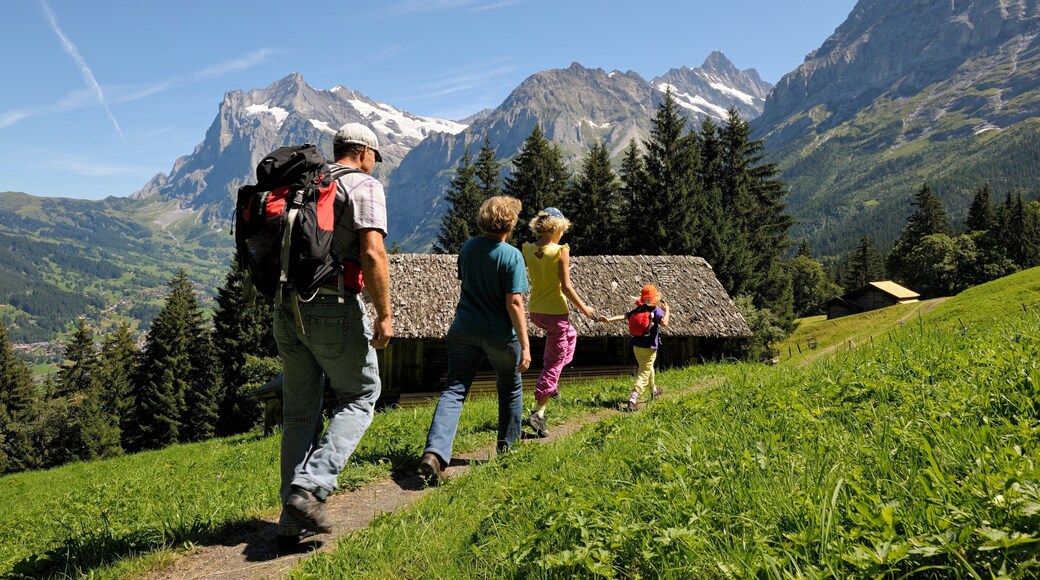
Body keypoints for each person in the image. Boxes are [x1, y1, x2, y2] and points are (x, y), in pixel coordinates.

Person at [274, 123, 392, 551]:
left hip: (285, 307)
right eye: (376, 156)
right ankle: (311, 488)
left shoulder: (304, 183)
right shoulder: (363, 186)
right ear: (363, 151)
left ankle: (290, 523)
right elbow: (373, 252)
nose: (376, 164)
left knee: (299, 414)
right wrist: (384, 314)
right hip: (332, 304)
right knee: (362, 394)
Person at [419, 195, 531, 485]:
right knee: (510, 389)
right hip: (499, 335)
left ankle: (434, 453)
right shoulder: (511, 256)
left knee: (454, 389)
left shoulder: (468, 247)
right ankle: (509, 451)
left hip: (463, 329)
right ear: (510, 224)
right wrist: (526, 344)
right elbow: (515, 303)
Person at [521, 207, 596, 437]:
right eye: (562, 229)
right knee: (553, 363)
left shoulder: (529, 249)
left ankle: (551, 386)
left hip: (536, 310)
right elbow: (566, 286)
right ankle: (539, 412)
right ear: (555, 228)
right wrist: (584, 308)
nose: (564, 234)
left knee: (570, 338)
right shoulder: (561, 251)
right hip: (556, 313)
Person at [599, 284, 670, 411]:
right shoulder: (656, 311)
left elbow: (624, 316)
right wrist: (667, 310)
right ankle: (633, 398)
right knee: (643, 372)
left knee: (648, 368)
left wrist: (608, 320)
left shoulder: (638, 310)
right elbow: (664, 323)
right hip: (649, 347)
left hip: (637, 347)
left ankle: (653, 391)